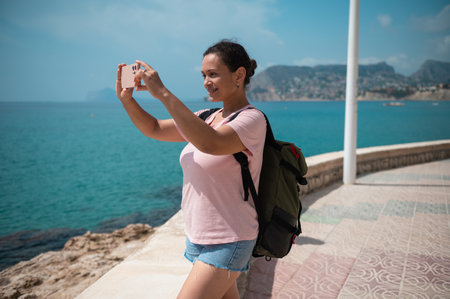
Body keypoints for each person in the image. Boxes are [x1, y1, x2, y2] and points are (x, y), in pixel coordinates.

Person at [115, 40, 266, 299]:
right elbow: (154, 128)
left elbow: (211, 143)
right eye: (203, 75)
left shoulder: (251, 119)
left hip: (229, 238)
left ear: (239, 75)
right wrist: (126, 100)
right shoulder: (206, 116)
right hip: (199, 236)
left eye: (213, 74)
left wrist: (163, 93)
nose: (206, 81)